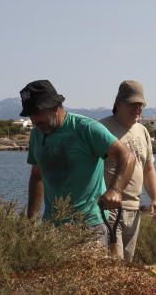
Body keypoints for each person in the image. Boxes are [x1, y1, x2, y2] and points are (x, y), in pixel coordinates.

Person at [22, 80, 133, 245]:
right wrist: (30, 221)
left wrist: (116, 190)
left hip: (90, 226)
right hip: (52, 228)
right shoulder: (37, 134)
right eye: (30, 114)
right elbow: (37, 176)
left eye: (37, 112)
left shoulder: (85, 128)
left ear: (54, 106)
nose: (33, 120)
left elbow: (127, 156)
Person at [100, 80, 156, 261]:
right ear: (118, 103)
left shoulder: (142, 131)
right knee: (114, 264)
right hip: (110, 210)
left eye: (140, 105)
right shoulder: (102, 129)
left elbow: (148, 168)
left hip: (134, 210)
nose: (137, 109)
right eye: (132, 104)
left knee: (127, 263)